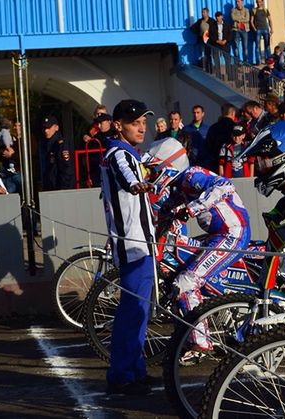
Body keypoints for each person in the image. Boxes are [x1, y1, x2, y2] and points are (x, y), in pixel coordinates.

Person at [144, 150, 251, 352]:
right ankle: (187, 339)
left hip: (233, 234)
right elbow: (162, 218)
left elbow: (225, 185)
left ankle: (201, 342)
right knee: (176, 282)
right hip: (218, 236)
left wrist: (193, 208)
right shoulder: (178, 189)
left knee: (186, 281)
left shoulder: (191, 176)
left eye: (149, 173)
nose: (147, 178)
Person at [100, 99, 156, 395]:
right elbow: (127, 178)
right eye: (135, 123)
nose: (141, 128)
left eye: (143, 123)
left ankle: (135, 370)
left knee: (139, 312)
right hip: (134, 246)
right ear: (119, 125)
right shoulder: (118, 153)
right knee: (132, 312)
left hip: (139, 245)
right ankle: (122, 374)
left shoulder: (127, 153)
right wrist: (138, 183)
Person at [41, 116, 75, 190]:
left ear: (56, 128)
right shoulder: (46, 144)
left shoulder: (60, 144)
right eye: (44, 128)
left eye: (49, 128)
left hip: (60, 188)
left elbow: (67, 168)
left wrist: (63, 189)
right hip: (51, 186)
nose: (46, 131)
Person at [205, 103, 237, 172]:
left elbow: (208, 146)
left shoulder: (213, 128)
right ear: (233, 113)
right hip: (233, 164)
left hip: (215, 163)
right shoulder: (236, 128)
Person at [250, 0, 273, 65]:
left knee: (267, 46)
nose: (259, 3)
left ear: (262, 2)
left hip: (266, 29)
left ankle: (268, 61)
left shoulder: (266, 10)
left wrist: (272, 29)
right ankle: (258, 61)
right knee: (257, 46)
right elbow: (251, 21)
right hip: (258, 30)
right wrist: (254, 29)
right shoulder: (253, 10)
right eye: (257, 2)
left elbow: (270, 20)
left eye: (260, 2)